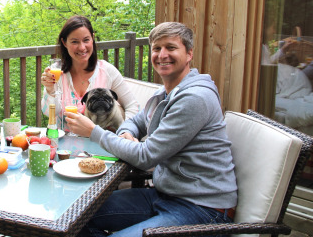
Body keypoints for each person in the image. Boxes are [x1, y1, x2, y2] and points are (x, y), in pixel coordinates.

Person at [66, 22, 238, 237]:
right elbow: (137, 122)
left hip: (203, 208)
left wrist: (94, 131)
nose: (162, 54)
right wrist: (125, 133)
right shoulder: (166, 91)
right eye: (156, 48)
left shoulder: (194, 99)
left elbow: (146, 157)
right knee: (76, 215)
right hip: (165, 194)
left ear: (189, 54)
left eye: (171, 47)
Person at [40, 15, 139, 131]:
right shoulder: (56, 72)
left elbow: (133, 106)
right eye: (75, 42)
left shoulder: (107, 71)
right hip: (64, 145)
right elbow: (48, 113)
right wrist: (50, 90)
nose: (82, 47)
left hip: (99, 145)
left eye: (86, 40)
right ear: (64, 42)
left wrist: (125, 131)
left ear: (92, 39)